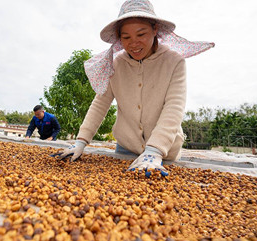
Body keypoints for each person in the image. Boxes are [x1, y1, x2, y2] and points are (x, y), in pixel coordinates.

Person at [54, 0, 214, 176]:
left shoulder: (174, 61)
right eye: (126, 37)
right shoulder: (116, 64)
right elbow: (100, 104)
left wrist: (155, 150)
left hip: (165, 150)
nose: (134, 43)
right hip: (126, 148)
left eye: (141, 34)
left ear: (155, 30)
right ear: (119, 38)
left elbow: (174, 107)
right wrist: (81, 141)